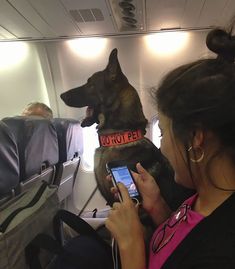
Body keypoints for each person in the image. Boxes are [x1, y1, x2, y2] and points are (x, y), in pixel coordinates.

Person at [105, 27, 235, 269]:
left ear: (196, 136)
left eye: (163, 133)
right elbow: (184, 242)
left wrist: (130, 245)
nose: (162, 147)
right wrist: (157, 207)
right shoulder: (202, 197)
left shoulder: (223, 250)